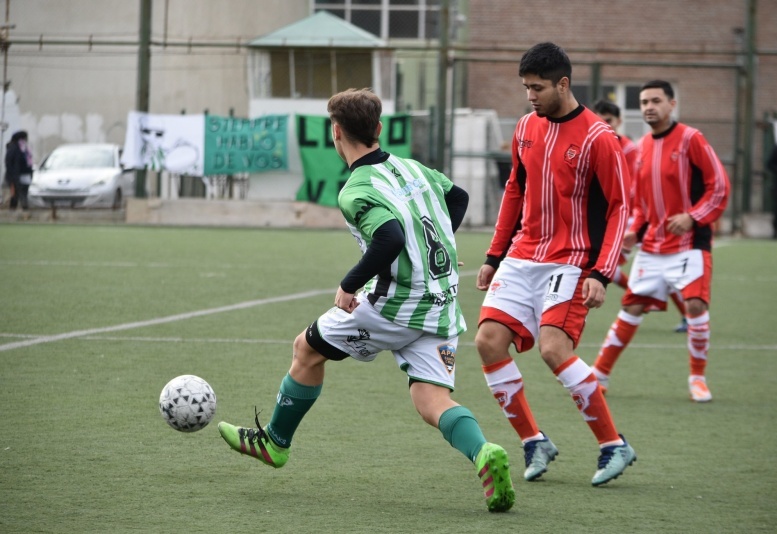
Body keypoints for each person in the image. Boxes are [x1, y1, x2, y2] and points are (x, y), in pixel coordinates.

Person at [217, 88, 515, 513]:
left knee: (306, 348)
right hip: (441, 303)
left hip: (396, 307)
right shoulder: (413, 168)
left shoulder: (355, 189)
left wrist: (349, 283)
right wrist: (437, 249)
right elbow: (458, 198)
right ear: (378, 129)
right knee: (430, 400)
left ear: (335, 132)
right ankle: (483, 452)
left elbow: (390, 236)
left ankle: (275, 443)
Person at [475, 42, 636, 487]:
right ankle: (533, 441)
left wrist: (602, 272)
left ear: (563, 84)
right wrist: (494, 255)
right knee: (488, 342)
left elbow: (621, 208)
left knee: (552, 349)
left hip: (571, 260)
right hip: (523, 255)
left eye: (538, 88)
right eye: (526, 87)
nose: (530, 96)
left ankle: (612, 444)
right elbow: (514, 190)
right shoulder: (526, 127)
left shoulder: (599, 138)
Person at [591, 80, 730, 403]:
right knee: (632, 307)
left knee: (695, 306)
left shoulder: (692, 139)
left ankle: (697, 377)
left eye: (656, 100)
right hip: (652, 247)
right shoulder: (641, 148)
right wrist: (634, 232)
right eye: (644, 102)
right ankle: (599, 374)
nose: (649, 107)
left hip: (690, 243)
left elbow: (719, 185)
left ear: (671, 104)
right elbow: (640, 203)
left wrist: (692, 217)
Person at [592, 99, 689, 334]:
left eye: (609, 120)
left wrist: (637, 220)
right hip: (610, 217)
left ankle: (679, 311)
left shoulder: (629, 149)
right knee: (606, 266)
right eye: (599, 120)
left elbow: (635, 186)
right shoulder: (594, 145)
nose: (604, 125)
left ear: (619, 121)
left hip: (630, 218)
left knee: (609, 265)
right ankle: (641, 297)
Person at [5, 130, 34, 217]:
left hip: (25, 174)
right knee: (15, 193)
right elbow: (9, 163)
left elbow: (28, 161)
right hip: (15, 175)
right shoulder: (14, 148)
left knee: (24, 192)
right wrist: (12, 177)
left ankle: (24, 209)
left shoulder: (25, 148)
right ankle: (13, 211)